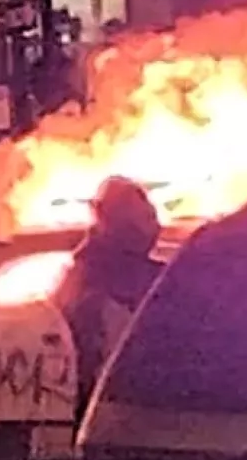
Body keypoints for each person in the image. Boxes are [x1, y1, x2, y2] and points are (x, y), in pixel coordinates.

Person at [55, 177, 165, 418]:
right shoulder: (94, 282)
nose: (156, 226)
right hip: (115, 413)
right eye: (147, 217)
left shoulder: (84, 273)